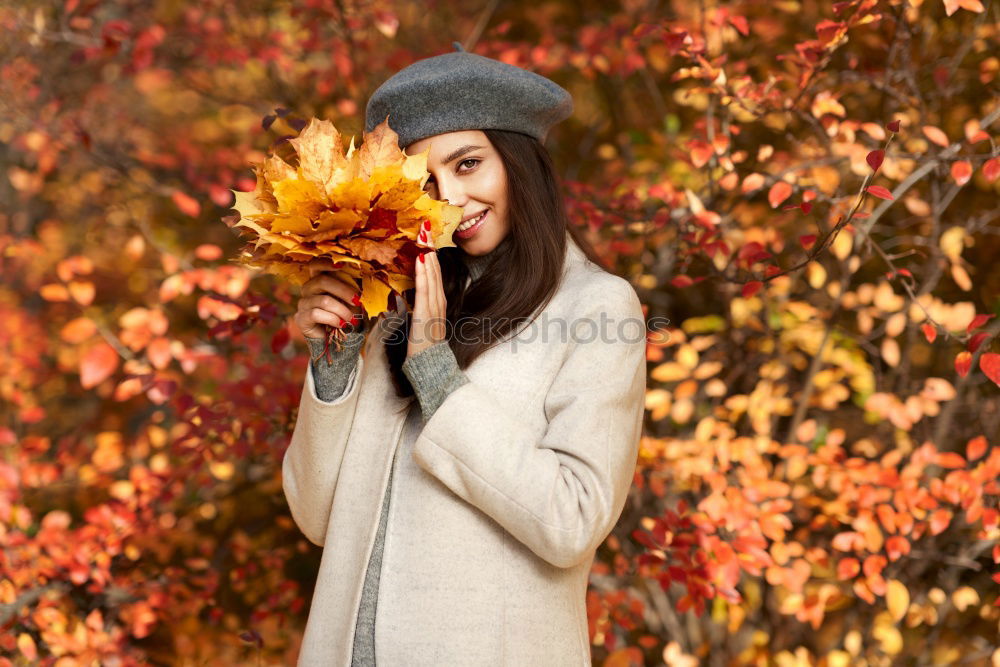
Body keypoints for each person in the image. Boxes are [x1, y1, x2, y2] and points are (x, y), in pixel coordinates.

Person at [283, 41, 647, 666]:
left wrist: (437, 377)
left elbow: (572, 521)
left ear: (520, 161)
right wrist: (333, 361)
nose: (449, 198)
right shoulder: (390, 307)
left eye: (469, 163)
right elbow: (319, 520)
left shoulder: (596, 307)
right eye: (425, 181)